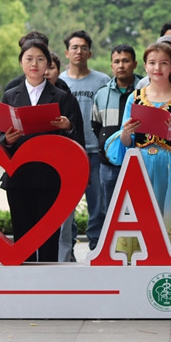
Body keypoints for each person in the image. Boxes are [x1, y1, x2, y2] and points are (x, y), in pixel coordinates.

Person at [104, 42, 171, 262]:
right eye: (152, 63)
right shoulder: (135, 97)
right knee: (141, 214)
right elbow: (125, 141)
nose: (157, 68)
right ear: (145, 66)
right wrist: (126, 133)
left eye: (163, 63)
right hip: (141, 166)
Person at [0, 39, 85, 262]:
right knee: (22, 236)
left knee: (48, 238)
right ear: (21, 62)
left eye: (40, 59)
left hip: (50, 176)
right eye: (29, 59)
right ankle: (23, 281)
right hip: (19, 176)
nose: (34, 64)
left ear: (48, 64)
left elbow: (77, 141)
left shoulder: (62, 97)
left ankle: (48, 281)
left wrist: (67, 127)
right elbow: (0, 138)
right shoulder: (10, 96)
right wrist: (7, 140)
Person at [59, 30, 110, 257]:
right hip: (69, 151)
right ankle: (67, 250)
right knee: (67, 203)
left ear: (90, 53)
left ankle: (96, 249)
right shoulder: (60, 81)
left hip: (95, 150)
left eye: (83, 47)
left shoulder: (102, 81)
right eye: (74, 47)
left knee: (98, 204)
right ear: (67, 53)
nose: (79, 51)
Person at [91, 44, 143, 243]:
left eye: (126, 61)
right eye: (117, 61)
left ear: (135, 64)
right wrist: (108, 144)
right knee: (110, 209)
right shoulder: (102, 94)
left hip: (140, 161)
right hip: (109, 164)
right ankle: (112, 249)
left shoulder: (144, 91)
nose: (121, 65)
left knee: (139, 208)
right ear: (111, 65)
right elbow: (96, 125)